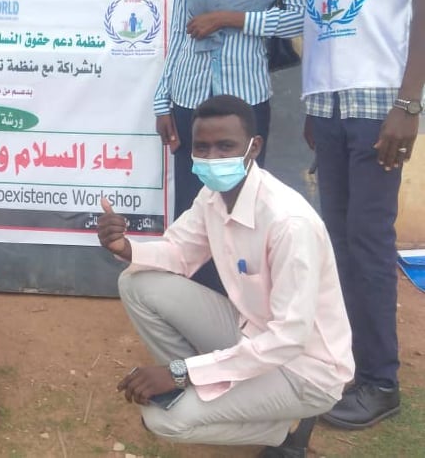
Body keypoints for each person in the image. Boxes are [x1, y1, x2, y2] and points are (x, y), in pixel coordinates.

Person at [97, 95, 353, 457]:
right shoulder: (213, 196)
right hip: (251, 334)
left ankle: (285, 426)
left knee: (162, 420)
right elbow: (179, 252)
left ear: (254, 147)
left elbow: (289, 339)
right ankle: (198, 388)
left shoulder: (288, 223)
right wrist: (125, 248)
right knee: (136, 283)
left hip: (305, 369)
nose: (212, 157)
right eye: (202, 147)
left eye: (225, 146)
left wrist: (179, 370)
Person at [284, 0, 425, 429]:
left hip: (379, 109)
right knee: (336, 238)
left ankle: (380, 382)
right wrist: (313, 104)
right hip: (329, 106)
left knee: (368, 238)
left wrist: (409, 103)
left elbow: (421, 2)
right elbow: (320, 21)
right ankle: (349, 364)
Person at [153, 0, 304, 293]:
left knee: (245, 202)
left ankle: (242, 299)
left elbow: (300, 17)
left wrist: (232, 18)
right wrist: (163, 101)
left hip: (245, 99)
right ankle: (195, 300)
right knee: (192, 203)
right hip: (190, 98)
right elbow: (179, 33)